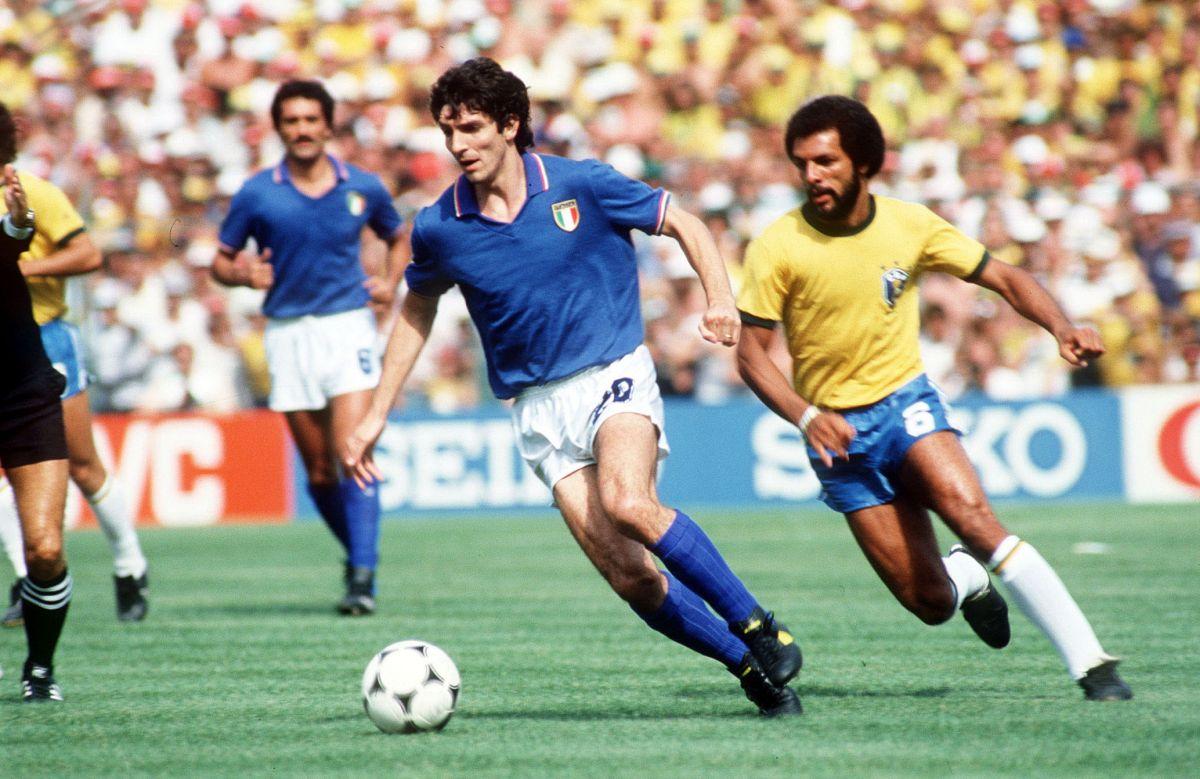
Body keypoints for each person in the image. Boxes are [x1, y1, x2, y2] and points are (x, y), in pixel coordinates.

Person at [343, 58, 803, 717]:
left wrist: (720, 297)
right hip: (536, 409)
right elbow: (417, 309)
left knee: (628, 502)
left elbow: (687, 224)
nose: (458, 145)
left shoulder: (581, 183)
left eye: (471, 128)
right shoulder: (440, 226)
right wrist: (374, 414)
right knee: (632, 577)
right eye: (448, 131)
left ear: (510, 124)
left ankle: (758, 623)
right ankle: (750, 668)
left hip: (613, 373)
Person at [734, 95, 1132, 702]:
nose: (811, 175)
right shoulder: (777, 246)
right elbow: (751, 354)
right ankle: (968, 580)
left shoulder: (909, 225)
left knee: (972, 516)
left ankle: (1093, 667)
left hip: (905, 404)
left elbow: (1003, 276)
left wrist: (1062, 326)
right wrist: (807, 415)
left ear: (864, 162)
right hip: (835, 435)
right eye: (801, 164)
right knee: (928, 604)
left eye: (825, 161)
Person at [214, 79, 405, 615]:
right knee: (320, 470)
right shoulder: (257, 192)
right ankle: (358, 557)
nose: (301, 129)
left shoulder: (362, 186)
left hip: (347, 327)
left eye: (310, 120)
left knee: (353, 453)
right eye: (291, 121)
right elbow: (220, 260)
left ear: (328, 125)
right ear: (279, 128)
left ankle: (362, 579)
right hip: (287, 334)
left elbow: (398, 235)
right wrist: (242, 273)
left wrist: (390, 283)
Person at [0, 102, 149, 626]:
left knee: (83, 465)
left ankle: (130, 564)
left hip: (45, 338)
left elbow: (87, 255)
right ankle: (26, 580)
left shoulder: (33, 190)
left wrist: (21, 265)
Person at [0, 163, 73, 701]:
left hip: (23, 393)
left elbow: (12, 237)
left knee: (44, 551)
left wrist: (21, 223)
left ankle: (40, 669)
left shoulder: (9, 208)